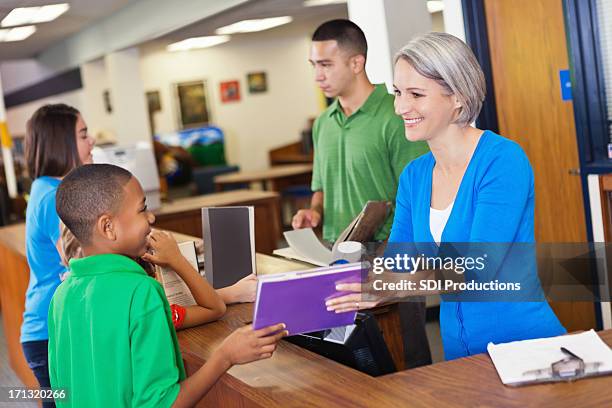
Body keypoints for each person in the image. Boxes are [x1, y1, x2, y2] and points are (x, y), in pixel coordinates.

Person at [326, 32, 566, 360]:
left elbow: (478, 267)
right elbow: (398, 261)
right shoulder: (415, 175)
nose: (400, 107)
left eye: (415, 94)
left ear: (457, 97)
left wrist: (390, 288)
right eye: (398, 92)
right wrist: (340, 280)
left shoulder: (502, 161)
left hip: (525, 347)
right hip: (460, 355)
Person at [49, 164, 287, 407]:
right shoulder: (140, 292)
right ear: (108, 227)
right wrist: (225, 356)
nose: (151, 217)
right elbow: (162, 403)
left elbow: (60, 390)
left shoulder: (60, 297)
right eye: (142, 209)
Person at [291, 19, 431, 368]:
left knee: (406, 357)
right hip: (333, 256)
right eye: (314, 65)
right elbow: (320, 189)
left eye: (325, 64)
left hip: (386, 253)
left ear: (356, 63)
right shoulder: (323, 122)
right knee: (350, 361)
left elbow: (418, 194)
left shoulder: (397, 114)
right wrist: (314, 213)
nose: (317, 76)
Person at [21, 104, 94, 407]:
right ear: (60, 142)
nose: (92, 142)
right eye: (83, 134)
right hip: (51, 333)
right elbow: (81, 260)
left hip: (44, 329)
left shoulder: (45, 188)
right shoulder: (54, 196)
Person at [60, 225, 257, 330]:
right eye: (141, 210)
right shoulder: (142, 299)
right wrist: (177, 260)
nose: (150, 218)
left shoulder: (66, 296)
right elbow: (211, 308)